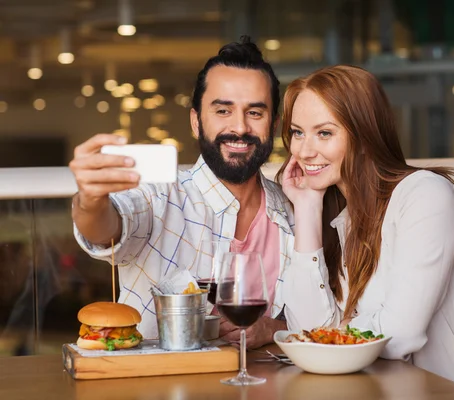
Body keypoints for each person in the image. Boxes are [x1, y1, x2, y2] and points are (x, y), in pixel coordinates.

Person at [278, 65, 454, 399]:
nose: (304, 151)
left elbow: (400, 334)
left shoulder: (426, 196)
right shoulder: (342, 220)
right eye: (297, 132)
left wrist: (330, 340)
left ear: (365, 136)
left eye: (324, 133)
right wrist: (306, 208)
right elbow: (308, 333)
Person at [69, 36, 293, 348]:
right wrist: (91, 199)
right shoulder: (161, 194)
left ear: (274, 123)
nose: (240, 128)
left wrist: (271, 328)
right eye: (223, 111)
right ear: (196, 121)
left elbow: (321, 316)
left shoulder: (293, 210)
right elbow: (107, 227)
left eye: (255, 113)